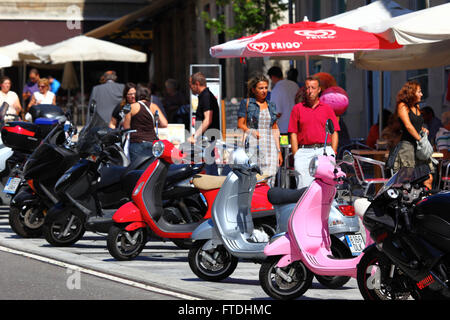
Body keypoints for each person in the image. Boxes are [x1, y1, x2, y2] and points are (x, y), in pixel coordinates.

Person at [288, 75, 340, 189]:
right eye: (307, 88)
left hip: (324, 150)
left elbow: (334, 131)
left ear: (319, 89)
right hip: (304, 152)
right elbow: (293, 133)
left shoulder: (327, 109)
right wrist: (296, 154)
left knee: (326, 187)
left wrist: (333, 151)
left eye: (313, 88)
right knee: (303, 188)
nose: (310, 91)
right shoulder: (297, 109)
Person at [237, 74, 283, 186]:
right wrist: (251, 131)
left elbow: (275, 128)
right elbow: (240, 124)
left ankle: (268, 202)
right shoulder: (247, 103)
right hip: (253, 144)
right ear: (254, 90)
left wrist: (279, 151)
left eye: (266, 88)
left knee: (271, 177)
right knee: (255, 177)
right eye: (261, 88)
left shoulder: (271, 105)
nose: (264, 91)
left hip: (270, 145)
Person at [392, 81, 433, 189]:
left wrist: (422, 129)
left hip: (418, 147)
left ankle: (426, 203)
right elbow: (408, 125)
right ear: (411, 93)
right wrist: (420, 139)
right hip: (408, 146)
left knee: (428, 178)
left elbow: (416, 124)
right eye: (419, 92)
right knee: (405, 180)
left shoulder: (417, 106)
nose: (421, 94)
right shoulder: (403, 106)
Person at [123, 85, 168, 162]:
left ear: (137, 95)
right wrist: (151, 125)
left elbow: (126, 127)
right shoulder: (154, 106)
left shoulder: (130, 107)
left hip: (136, 142)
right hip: (152, 141)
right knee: (150, 169)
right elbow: (164, 124)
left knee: (137, 170)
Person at [188, 72, 221, 175]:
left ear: (197, 83)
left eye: (190, 85)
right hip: (205, 138)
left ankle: (214, 188)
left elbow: (208, 119)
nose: (190, 88)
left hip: (207, 138)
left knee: (209, 167)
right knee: (207, 166)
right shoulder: (204, 96)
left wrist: (195, 136)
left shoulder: (206, 96)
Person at [267, 66, 299, 135]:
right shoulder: (294, 85)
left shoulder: (276, 90)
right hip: (297, 126)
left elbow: (277, 112)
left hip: (284, 129)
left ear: (272, 77)